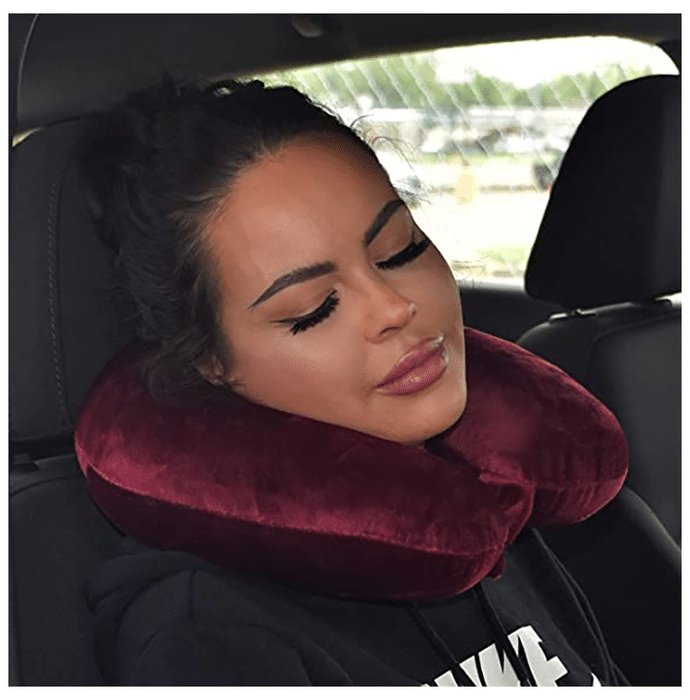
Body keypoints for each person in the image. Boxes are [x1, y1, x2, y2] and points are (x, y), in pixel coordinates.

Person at [77, 77, 628, 686]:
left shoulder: (484, 505)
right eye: (313, 308)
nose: (393, 306)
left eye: (400, 250)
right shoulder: (205, 634)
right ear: (213, 363)